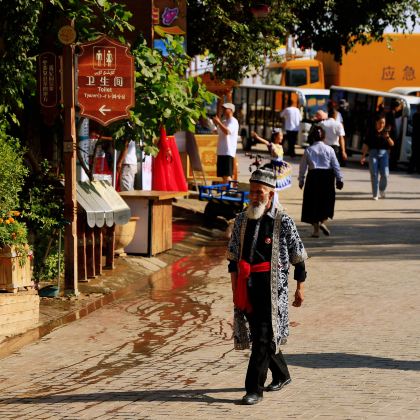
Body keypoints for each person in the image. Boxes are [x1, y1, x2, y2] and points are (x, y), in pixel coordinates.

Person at [227, 168, 307, 406]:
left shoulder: (283, 221)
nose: (254, 196)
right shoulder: (242, 220)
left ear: (270, 194)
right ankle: (282, 374)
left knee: (263, 338)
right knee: (260, 337)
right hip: (247, 287)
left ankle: (254, 389)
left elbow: (298, 256)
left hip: (274, 291)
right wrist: (235, 290)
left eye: (259, 192)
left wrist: (300, 287)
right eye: (251, 191)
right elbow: (232, 259)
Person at [299, 125, 344, 237]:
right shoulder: (330, 149)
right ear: (324, 137)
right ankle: (323, 222)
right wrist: (339, 179)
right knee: (326, 201)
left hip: (313, 177)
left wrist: (301, 180)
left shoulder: (308, 150)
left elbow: (303, 167)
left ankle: (315, 230)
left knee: (312, 203)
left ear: (313, 137)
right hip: (327, 178)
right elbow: (336, 165)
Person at [360, 113, 394, 200]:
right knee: (374, 174)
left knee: (385, 174)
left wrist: (388, 137)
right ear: (376, 122)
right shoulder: (371, 131)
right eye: (380, 122)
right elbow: (366, 145)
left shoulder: (387, 131)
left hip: (384, 154)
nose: (382, 124)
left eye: (383, 123)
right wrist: (363, 156)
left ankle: (382, 190)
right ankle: (375, 194)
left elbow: (392, 144)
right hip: (373, 154)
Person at [213, 103, 239, 183]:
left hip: (228, 151)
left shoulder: (233, 121)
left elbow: (227, 131)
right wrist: (216, 124)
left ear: (231, 110)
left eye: (225, 108)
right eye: (223, 108)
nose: (223, 110)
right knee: (223, 175)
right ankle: (225, 191)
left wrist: (218, 123)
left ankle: (229, 191)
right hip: (221, 151)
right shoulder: (224, 121)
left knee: (227, 175)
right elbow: (216, 131)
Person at [408, 104, 420, 174]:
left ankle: (412, 169)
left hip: (415, 137)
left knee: (415, 154)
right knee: (417, 154)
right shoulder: (417, 116)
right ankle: (414, 169)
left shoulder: (415, 115)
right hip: (417, 138)